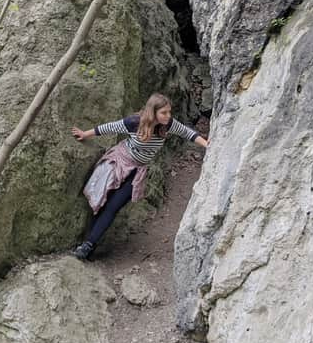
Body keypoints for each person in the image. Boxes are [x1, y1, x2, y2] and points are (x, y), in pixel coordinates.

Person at [69, 92, 209, 260]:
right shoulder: (134, 122)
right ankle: (87, 242)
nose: (168, 116)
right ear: (153, 112)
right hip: (118, 162)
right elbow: (109, 127)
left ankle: (89, 245)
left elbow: (188, 133)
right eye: (164, 112)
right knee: (101, 199)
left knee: (114, 205)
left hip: (137, 170)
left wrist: (207, 145)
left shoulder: (168, 124)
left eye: (169, 112)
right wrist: (85, 134)